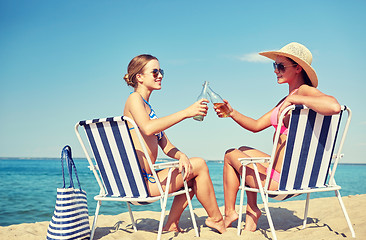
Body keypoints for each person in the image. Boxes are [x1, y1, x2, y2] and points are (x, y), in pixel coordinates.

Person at [214, 42, 341, 231]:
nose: (276, 71)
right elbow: (256, 125)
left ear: (298, 68)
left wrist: (295, 98)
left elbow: (334, 106)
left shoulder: (304, 91)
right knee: (244, 150)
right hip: (293, 177)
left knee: (230, 154)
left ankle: (231, 212)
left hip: (281, 182)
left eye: (281, 66)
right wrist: (231, 112)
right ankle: (251, 210)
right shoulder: (286, 99)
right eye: (275, 66)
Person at [123, 54, 226, 234]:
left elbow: (166, 144)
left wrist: (181, 156)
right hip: (140, 184)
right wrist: (186, 112)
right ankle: (217, 219)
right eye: (154, 72)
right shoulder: (134, 100)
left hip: (146, 180)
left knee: (190, 168)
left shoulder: (148, 107)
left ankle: (172, 224)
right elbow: (148, 128)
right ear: (139, 77)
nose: (160, 75)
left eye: (160, 71)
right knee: (199, 165)